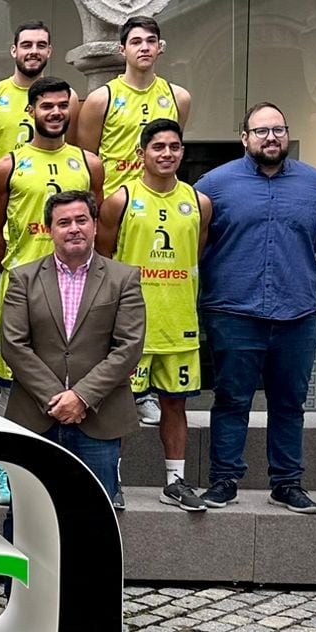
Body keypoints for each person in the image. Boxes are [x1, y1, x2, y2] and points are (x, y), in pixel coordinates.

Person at [195, 103, 316, 513]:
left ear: (287, 134)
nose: (271, 138)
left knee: (290, 403)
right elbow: (200, 242)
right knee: (231, 399)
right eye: (261, 131)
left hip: (296, 313)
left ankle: (287, 483)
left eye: (278, 130)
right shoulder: (214, 184)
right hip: (234, 312)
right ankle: (223, 481)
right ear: (245, 138)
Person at [0, 78, 103, 505]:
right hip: (24, 287)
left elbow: (95, 225)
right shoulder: (7, 165)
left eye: (61, 106)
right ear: (30, 111)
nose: (54, 112)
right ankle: (3, 468)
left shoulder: (89, 162)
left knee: (70, 369)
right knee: (9, 380)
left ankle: (67, 462)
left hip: (74, 289)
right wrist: (14, 269)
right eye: (46, 105)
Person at [0, 190, 146, 509]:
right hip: (35, 417)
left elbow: (129, 346)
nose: (74, 228)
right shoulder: (23, 278)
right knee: (27, 515)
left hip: (99, 418)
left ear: (95, 224)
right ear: (50, 230)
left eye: (82, 220)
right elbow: (13, 344)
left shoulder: (124, 278)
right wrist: (58, 399)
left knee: (94, 520)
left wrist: (81, 397)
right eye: (63, 222)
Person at [98, 119, 212, 512]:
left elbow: (194, 256)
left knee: (176, 404)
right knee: (121, 406)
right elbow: (105, 260)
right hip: (131, 327)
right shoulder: (121, 199)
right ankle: (111, 481)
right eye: (158, 146)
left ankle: (175, 482)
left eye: (174, 146)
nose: (167, 153)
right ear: (141, 153)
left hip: (178, 324)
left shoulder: (198, 202)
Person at [74, 15, 191, 197]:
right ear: (123, 49)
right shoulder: (100, 99)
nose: (144, 48)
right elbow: (87, 161)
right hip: (113, 203)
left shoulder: (179, 98)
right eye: (136, 42)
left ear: (159, 47)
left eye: (151, 41)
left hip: (161, 200)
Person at [0, 21, 78, 165]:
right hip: (1, 185)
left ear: (49, 51)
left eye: (41, 45)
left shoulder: (68, 97)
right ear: (14, 51)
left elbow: (71, 149)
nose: (34, 51)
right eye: (26, 45)